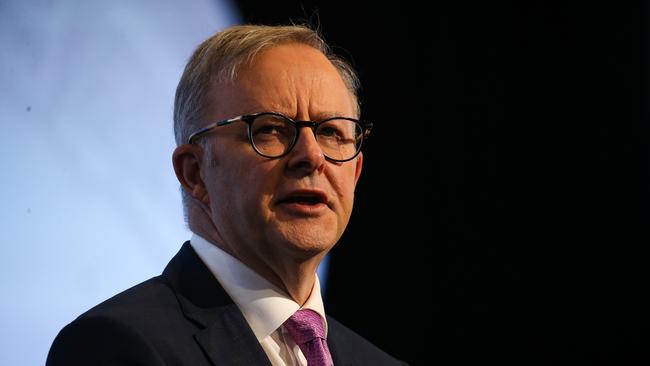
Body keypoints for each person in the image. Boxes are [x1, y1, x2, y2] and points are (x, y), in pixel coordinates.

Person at [46, 24, 406, 365]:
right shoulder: (115, 346)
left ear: (355, 171)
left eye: (330, 132)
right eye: (270, 129)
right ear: (195, 172)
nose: (311, 157)